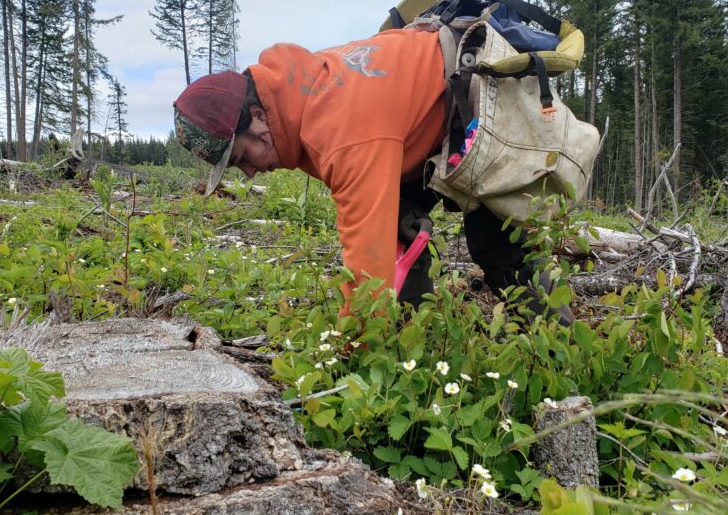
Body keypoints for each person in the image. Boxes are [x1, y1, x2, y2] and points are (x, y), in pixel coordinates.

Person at [172, 26, 572, 325]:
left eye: (242, 156)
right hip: (419, 132)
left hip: (478, 112)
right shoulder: (297, 95)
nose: (249, 170)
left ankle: (560, 352)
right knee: (402, 229)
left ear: (258, 117)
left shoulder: (339, 128)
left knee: (497, 248)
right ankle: (412, 347)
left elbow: (367, 268)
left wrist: (353, 350)